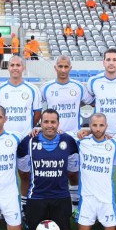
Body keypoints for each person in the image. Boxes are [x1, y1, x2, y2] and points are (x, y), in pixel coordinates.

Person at [41, 56, 94, 212]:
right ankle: (53, 201)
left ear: (70, 68)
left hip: (73, 137)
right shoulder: (46, 88)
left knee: (73, 173)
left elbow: (91, 102)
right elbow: (36, 107)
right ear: (55, 67)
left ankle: (75, 203)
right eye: (60, 66)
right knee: (53, 172)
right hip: (52, 137)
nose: (63, 70)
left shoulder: (78, 87)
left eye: (66, 67)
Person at [17, 109, 79, 230]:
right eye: (46, 122)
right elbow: (22, 166)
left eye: (53, 122)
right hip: (37, 195)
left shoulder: (68, 140)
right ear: (40, 123)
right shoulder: (29, 140)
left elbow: (73, 167)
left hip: (61, 195)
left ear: (58, 123)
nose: (49, 125)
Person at [0, 56, 42, 212]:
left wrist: (28, 130)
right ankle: (0, 207)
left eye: (18, 65)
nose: (15, 68)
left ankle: (24, 206)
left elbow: (37, 113)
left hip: (25, 140)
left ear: (23, 68)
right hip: (3, 140)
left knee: (25, 175)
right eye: (12, 65)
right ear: (8, 68)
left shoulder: (32, 89)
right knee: (2, 175)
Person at [76, 113, 116, 230]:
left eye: (101, 125)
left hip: (106, 198)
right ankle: (93, 218)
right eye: (94, 125)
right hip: (87, 197)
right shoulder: (82, 142)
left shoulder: (114, 143)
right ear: (90, 125)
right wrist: (38, 129)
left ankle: (100, 218)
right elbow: (60, 133)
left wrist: (91, 131)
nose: (98, 129)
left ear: (106, 126)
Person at [87, 48, 116, 136]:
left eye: (114, 60)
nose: (111, 63)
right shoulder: (93, 81)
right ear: (103, 62)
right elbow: (92, 102)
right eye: (108, 60)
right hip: (100, 133)